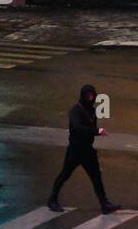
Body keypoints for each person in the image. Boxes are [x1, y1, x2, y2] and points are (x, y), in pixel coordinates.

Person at [47, 84, 121, 213]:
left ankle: (104, 204)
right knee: (65, 174)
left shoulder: (91, 110)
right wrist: (97, 131)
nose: (90, 98)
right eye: (88, 95)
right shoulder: (76, 111)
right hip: (75, 150)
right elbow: (77, 128)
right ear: (83, 96)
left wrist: (94, 132)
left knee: (96, 177)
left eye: (92, 95)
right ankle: (52, 199)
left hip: (87, 150)